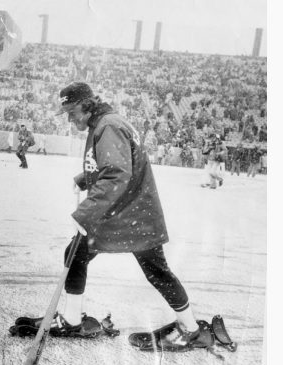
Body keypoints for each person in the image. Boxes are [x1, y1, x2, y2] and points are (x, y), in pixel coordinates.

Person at [51, 82, 206, 350]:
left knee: (156, 270)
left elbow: (116, 173)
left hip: (130, 212)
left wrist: (84, 212)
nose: (69, 117)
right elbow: (114, 164)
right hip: (127, 210)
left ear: (87, 106)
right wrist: (84, 179)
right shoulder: (105, 122)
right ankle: (73, 318)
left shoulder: (107, 125)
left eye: (72, 111)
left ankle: (191, 330)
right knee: (76, 253)